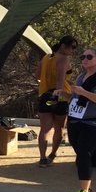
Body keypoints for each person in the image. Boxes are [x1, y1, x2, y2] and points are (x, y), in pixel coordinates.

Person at [37, 35, 77, 167]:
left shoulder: (46, 57)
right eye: (72, 47)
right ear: (63, 46)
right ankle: (52, 154)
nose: (73, 50)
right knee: (59, 128)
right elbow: (60, 81)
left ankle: (42, 158)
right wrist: (58, 96)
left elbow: (37, 75)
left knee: (44, 129)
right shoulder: (64, 59)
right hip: (60, 97)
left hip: (44, 95)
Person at [66, 46, 96, 192]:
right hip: (75, 121)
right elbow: (75, 98)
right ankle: (88, 190)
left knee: (84, 154)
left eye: (89, 57)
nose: (84, 59)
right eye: (83, 56)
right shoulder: (81, 76)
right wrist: (62, 93)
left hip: (91, 123)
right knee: (81, 154)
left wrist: (83, 92)